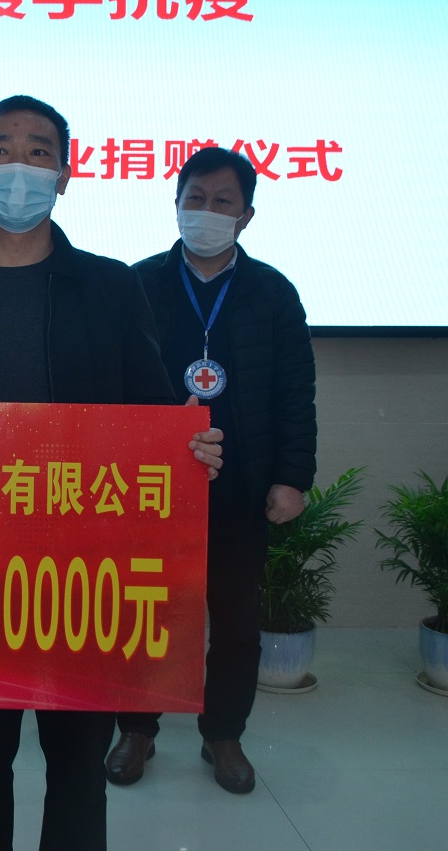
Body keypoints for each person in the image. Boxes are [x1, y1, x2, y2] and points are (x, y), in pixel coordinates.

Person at [0, 95, 224, 850]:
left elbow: (153, 414)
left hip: (82, 570)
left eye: (37, 152)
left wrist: (190, 450)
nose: (17, 167)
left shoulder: (111, 288)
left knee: (76, 764)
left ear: (64, 174)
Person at [106, 146, 316, 795]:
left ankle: (222, 733)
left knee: (234, 624)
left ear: (246, 215)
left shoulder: (272, 292)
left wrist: (292, 477)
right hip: (150, 487)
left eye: (222, 201)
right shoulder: (136, 284)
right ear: (175, 205)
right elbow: (110, 385)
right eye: (194, 198)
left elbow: (295, 392)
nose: (206, 211)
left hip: (240, 486)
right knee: (143, 614)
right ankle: (136, 728)